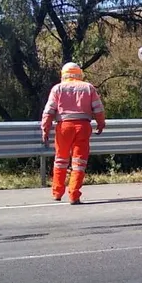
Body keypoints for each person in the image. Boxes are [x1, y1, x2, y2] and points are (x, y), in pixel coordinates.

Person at [41, 62, 106, 204]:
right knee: (79, 162)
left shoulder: (57, 88)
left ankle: (57, 192)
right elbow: (98, 108)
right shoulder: (88, 88)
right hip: (83, 127)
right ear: (79, 74)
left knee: (60, 160)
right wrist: (101, 124)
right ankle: (74, 195)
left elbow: (49, 111)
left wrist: (45, 128)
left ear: (63, 74)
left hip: (64, 127)